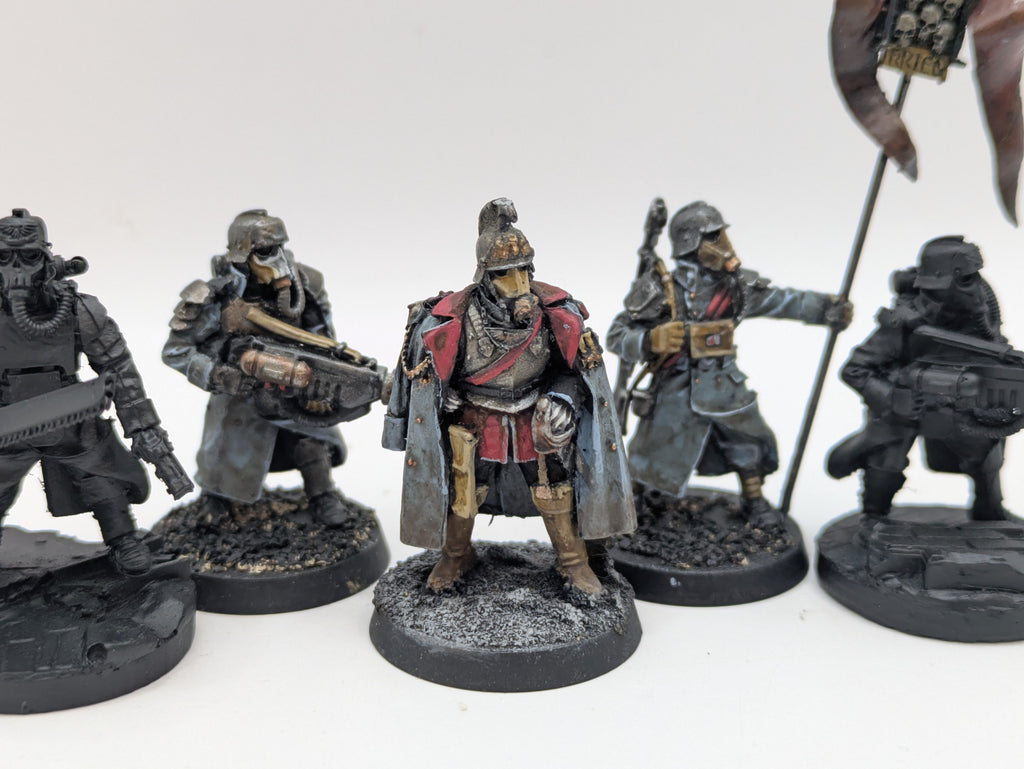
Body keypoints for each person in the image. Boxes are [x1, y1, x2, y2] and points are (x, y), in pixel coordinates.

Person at [382, 198, 634, 595]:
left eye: (523, 270)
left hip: (535, 419)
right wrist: (444, 399)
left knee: (553, 487)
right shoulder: (453, 320)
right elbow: (435, 374)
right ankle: (455, 554)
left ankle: (573, 561)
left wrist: (562, 400)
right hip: (476, 421)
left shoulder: (555, 314)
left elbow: (572, 372)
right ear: (485, 276)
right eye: (504, 273)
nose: (517, 283)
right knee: (465, 490)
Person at [607, 200, 851, 525]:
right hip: (675, 388)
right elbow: (616, 334)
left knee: (748, 442)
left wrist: (826, 308)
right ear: (690, 242)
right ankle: (637, 498)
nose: (722, 243)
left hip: (725, 385)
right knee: (652, 450)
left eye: (720, 234)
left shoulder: (736, 287)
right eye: (712, 236)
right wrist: (650, 340)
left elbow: (782, 300)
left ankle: (753, 499)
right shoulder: (661, 288)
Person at [0, 209, 189, 575]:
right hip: (7, 421)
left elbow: (120, 373)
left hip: (68, 417)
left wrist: (144, 429)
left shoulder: (77, 309)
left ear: (48, 260)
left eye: (29, 256)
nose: (16, 269)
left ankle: (123, 540)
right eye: (4, 257)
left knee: (101, 479)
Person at [162, 209, 350, 526]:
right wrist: (218, 375)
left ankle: (322, 494)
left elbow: (324, 339)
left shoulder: (305, 285)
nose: (274, 259)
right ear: (242, 253)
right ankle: (216, 497)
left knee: (312, 439)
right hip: (240, 393)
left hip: (295, 385)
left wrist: (323, 379)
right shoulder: (216, 297)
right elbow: (176, 350)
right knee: (225, 453)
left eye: (277, 248)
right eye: (263, 251)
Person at [828, 235, 1016, 520]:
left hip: (958, 405)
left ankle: (989, 516)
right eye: (964, 279)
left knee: (987, 456)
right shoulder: (904, 322)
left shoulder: (980, 317)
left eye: (972, 277)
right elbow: (855, 369)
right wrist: (892, 398)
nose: (974, 288)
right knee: (886, 461)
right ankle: (873, 517)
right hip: (903, 407)